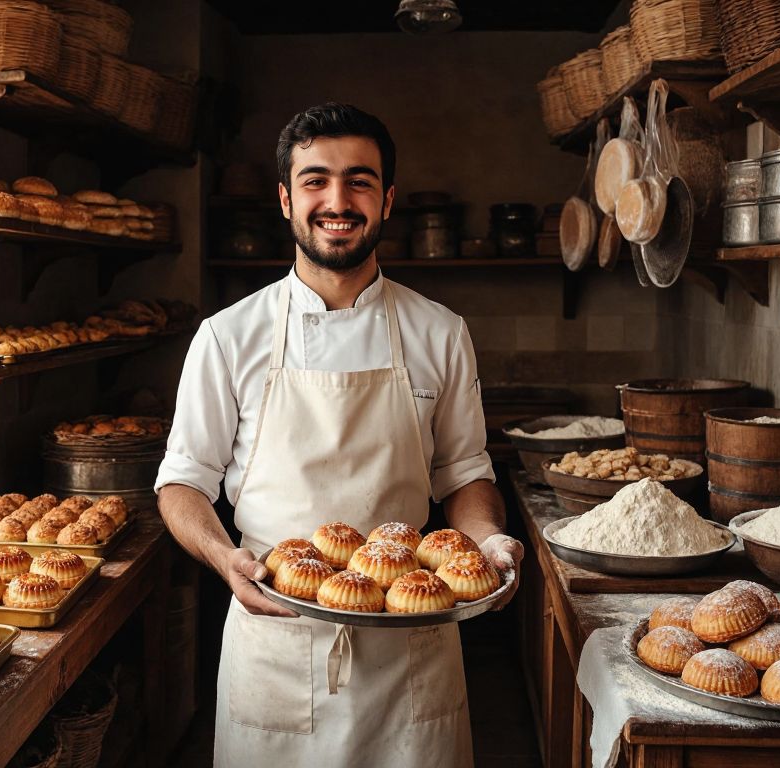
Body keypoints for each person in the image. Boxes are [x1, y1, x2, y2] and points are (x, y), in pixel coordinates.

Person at [155, 102, 524, 767]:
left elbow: (466, 474)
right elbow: (182, 482)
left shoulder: (439, 331)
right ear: (285, 199)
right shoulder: (229, 336)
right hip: (277, 638)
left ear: (386, 199)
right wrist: (221, 556)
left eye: (358, 181)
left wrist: (489, 541)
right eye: (316, 180)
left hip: (409, 641)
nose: (337, 199)